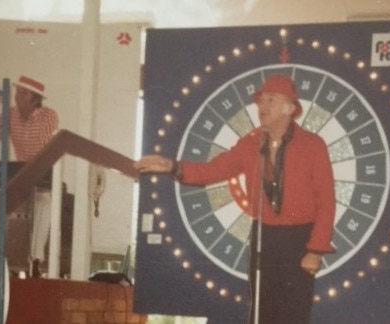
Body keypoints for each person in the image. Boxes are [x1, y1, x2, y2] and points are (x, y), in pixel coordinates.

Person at [135, 74, 336, 323]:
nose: (262, 107)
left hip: (299, 239)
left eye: (270, 100)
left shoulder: (313, 145)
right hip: (264, 236)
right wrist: (172, 166)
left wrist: (315, 250)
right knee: (261, 311)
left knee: (293, 314)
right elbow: (212, 170)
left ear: (289, 108)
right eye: (260, 101)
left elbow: (326, 201)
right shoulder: (251, 143)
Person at [3, 75, 59, 278]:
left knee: (43, 202)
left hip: (41, 175)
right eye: (17, 91)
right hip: (19, 175)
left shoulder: (48, 116)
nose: (17, 96)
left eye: (23, 93)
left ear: (35, 99)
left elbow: (43, 149)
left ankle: (36, 259)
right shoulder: (10, 115)